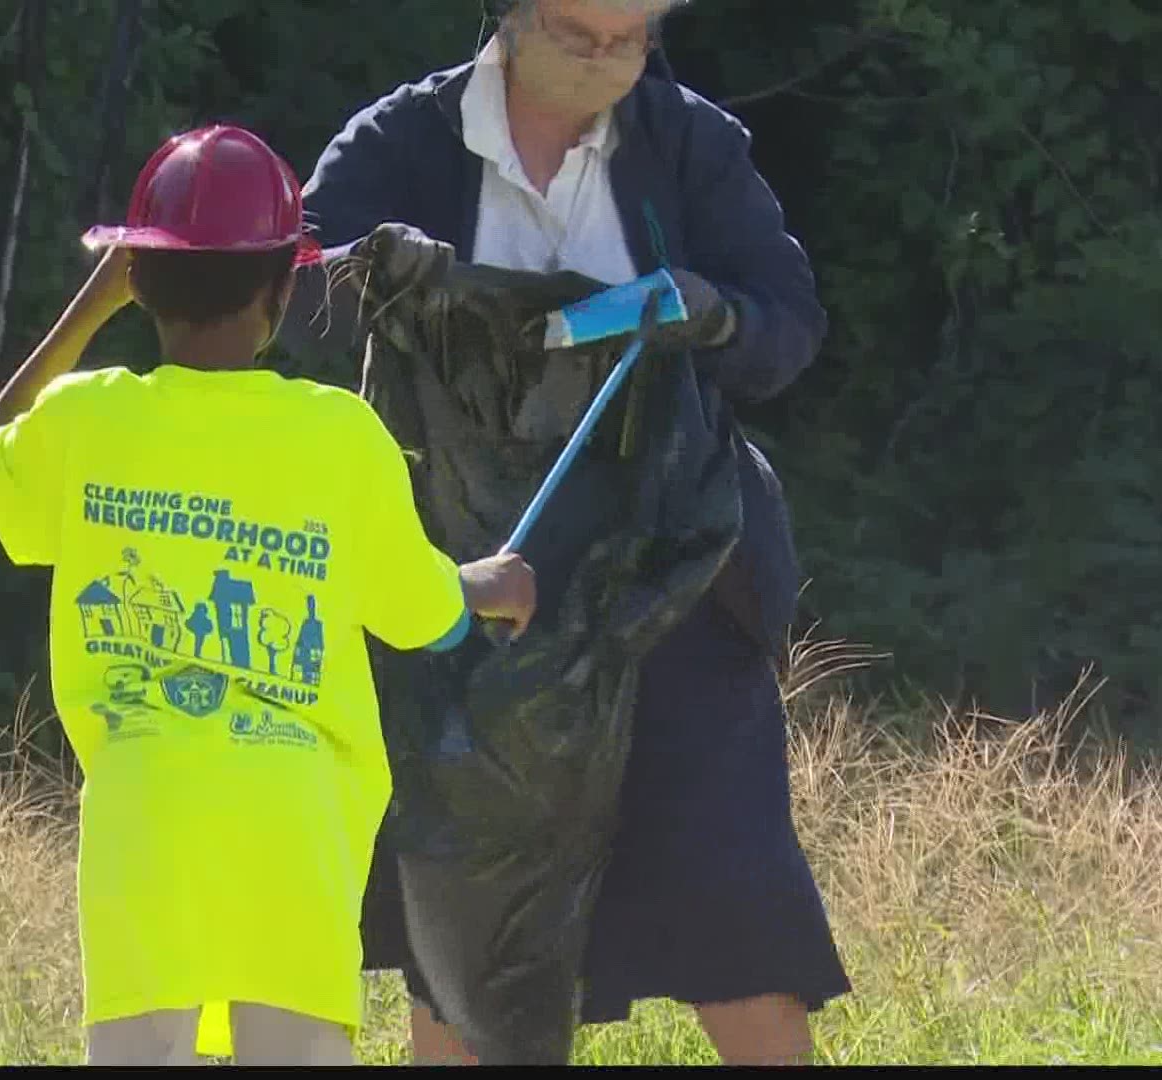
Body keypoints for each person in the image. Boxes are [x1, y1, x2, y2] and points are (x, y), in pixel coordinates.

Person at [275, 0, 851, 1066]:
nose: (604, 62)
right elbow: (290, 311)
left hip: (667, 579)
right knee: (458, 912)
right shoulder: (397, 141)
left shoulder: (691, 142)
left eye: (627, 41)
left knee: (734, 897)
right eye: (578, 36)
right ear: (509, 17)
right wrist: (382, 282)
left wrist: (712, 313)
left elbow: (790, 327)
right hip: (461, 585)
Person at [0, 124, 539, 1067]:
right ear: (282, 288)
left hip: (143, 809)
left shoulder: (90, 416)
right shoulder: (337, 435)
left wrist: (87, 312)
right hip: (293, 814)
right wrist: (484, 585)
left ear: (137, 279)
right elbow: (420, 613)